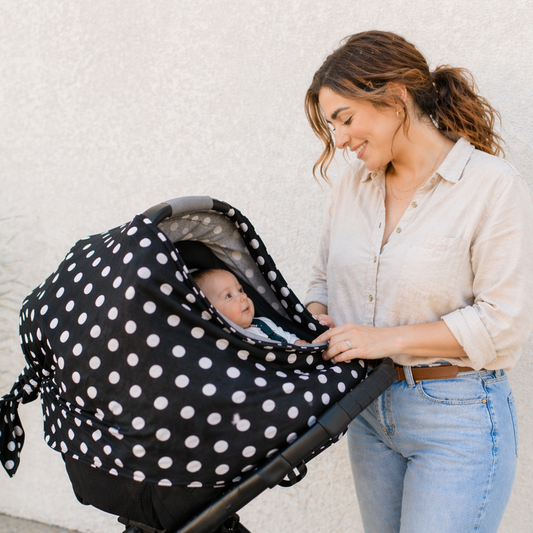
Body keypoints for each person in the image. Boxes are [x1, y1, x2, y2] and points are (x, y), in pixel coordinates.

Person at [303, 30, 533, 533]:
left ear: (395, 96)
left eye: (345, 119)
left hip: (456, 418)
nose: (339, 140)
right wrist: (315, 322)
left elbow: (503, 323)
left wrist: (379, 339)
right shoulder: (351, 186)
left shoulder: (492, 187)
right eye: (332, 126)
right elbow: (322, 279)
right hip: (365, 411)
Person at [194, 268, 308, 344]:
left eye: (240, 290)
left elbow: (285, 336)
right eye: (228, 296)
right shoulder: (225, 341)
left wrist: (296, 342)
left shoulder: (263, 323)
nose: (243, 296)